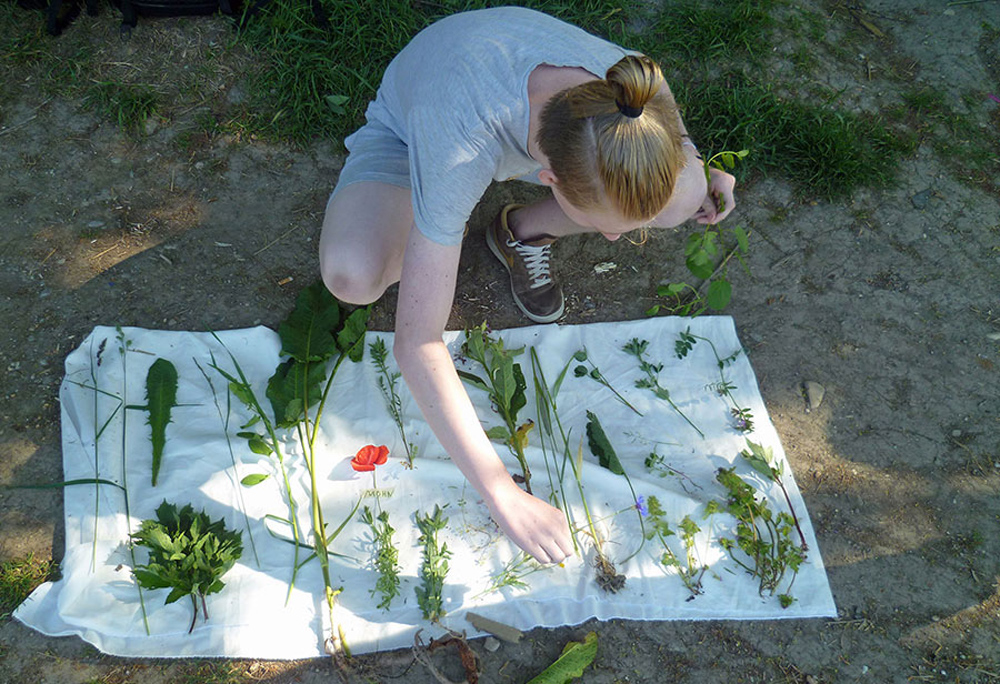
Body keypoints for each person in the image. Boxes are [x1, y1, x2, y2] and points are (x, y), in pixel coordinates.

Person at [319, 7, 736, 565]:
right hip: (423, 126)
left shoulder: (636, 96)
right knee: (355, 275)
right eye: (602, 223)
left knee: (682, 198)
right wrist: (502, 492)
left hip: (534, 135)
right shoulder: (456, 145)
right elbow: (417, 342)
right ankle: (436, 224)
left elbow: (675, 153)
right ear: (548, 179)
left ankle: (519, 229)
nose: (612, 239)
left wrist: (701, 178)